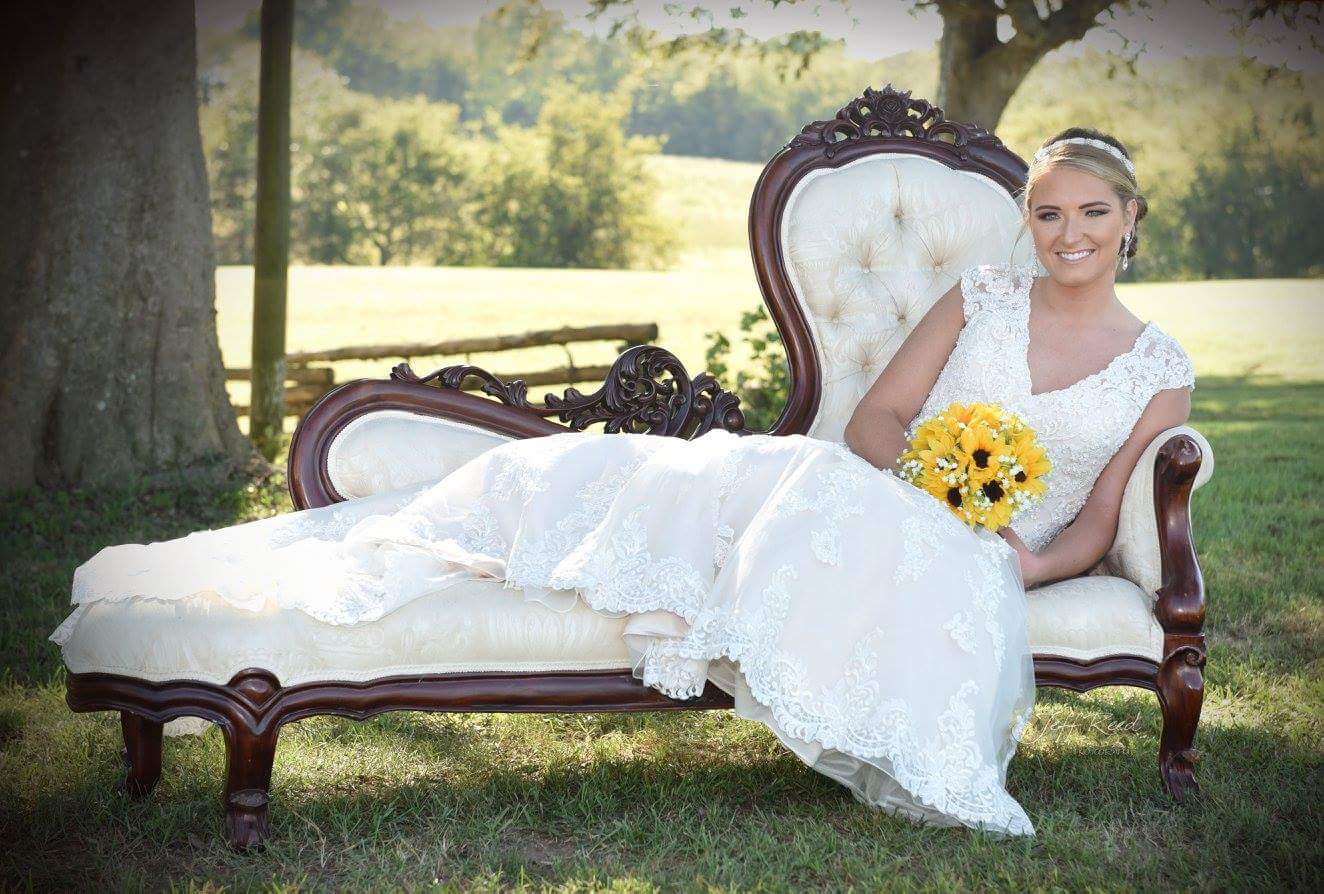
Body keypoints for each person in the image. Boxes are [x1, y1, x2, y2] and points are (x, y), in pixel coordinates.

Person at [52, 128, 1194, 838]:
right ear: (1026, 221)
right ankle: (492, 506)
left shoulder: (1156, 366)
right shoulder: (981, 301)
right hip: (876, 491)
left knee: (774, 522)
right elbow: (882, 420)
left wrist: (1021, 556)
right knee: (643, 479)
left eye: (1091, 212)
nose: (1066, 232)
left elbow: (1104, 515)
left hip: (988, 551)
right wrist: (934, 487)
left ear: (1131, 224)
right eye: (1046, 211)